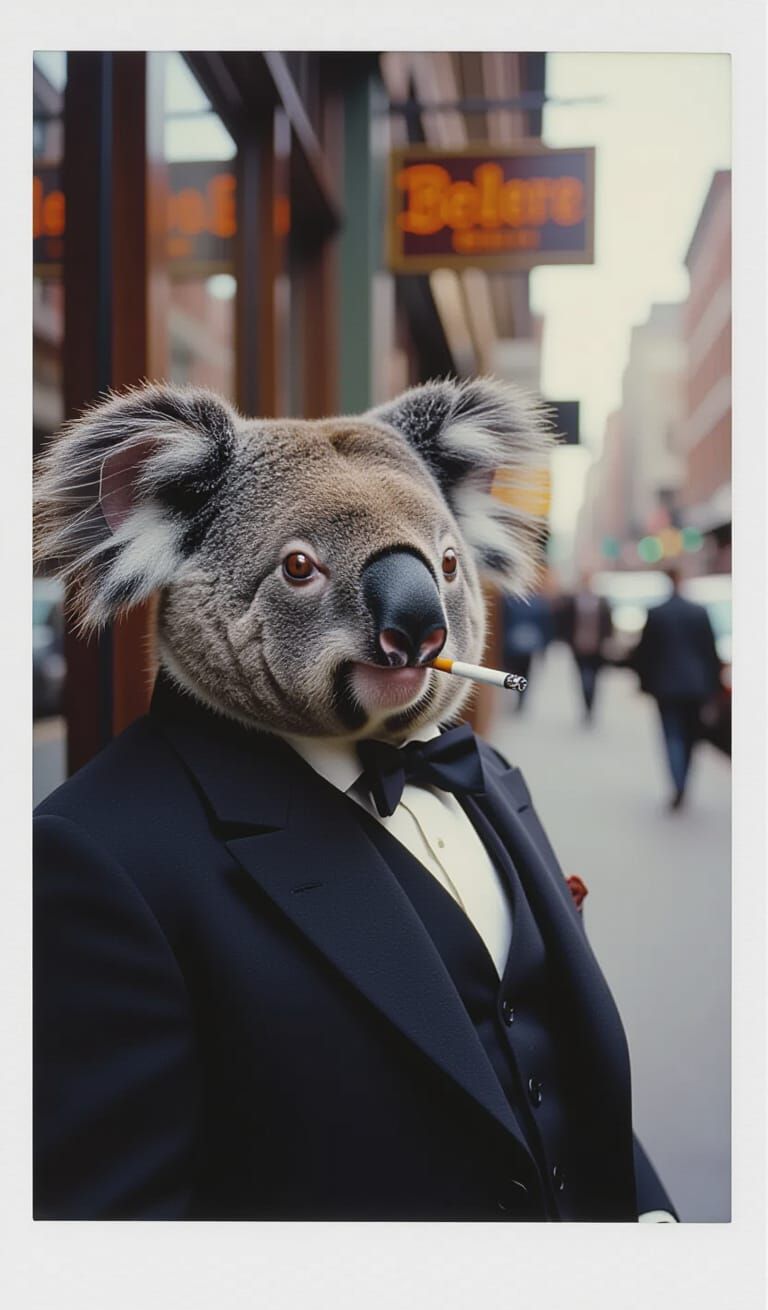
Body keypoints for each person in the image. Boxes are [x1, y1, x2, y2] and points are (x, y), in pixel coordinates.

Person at [33, 378, 675, 1221]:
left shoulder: (485, 775)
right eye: (300, 568)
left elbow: (565, 1065)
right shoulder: (101, 857)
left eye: (444, 567)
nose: (422, 617)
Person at [632, 567, 722, 809]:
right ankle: (684, 783)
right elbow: (710, 654)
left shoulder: (657, 613)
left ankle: (678, 784)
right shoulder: (699, 612)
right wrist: (714, 688)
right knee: (691, 738)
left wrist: (643, 684)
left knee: (672, 736)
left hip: (666, 686)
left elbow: (644, 654)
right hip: (696, 687)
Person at [560, 573, 614, 723]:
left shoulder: (602, 601)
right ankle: (585, 706)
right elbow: (565, 622)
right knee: (583, 679)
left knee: (594, 679)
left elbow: (608, 624)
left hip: (597, 648)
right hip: (578, 647)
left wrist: (608, 642)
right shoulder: (573, 601)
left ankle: (591, 708)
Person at [501, 590, 554, 711]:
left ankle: (519, 696)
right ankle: (518, 695)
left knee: (521, 671)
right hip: (514, 645)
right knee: (518, 671)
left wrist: (544, 644)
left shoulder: (536, 602)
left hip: (522, 646)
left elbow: (545, 624)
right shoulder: (510, 600)